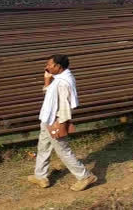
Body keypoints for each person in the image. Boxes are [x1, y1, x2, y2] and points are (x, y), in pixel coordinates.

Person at [28, 54, 97, 191]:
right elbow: (50, 96)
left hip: (55, 121)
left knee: (63, 151)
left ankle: (85, 176)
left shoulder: (63, 83)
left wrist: (60, 123)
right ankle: (40, 176)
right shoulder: (59, 78)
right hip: (47, 118)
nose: (46, 67)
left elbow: (65, 106)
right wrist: (47, 80)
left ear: (58, 67)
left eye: (49, 65)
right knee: (43, 146)